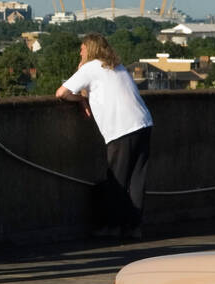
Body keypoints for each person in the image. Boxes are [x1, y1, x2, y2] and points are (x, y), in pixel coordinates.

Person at [56, 33, 154, 240]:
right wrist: (84, 99)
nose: (79, 52)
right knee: (136, 179)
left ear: (89, 49)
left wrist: (79, 99)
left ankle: (112, 228)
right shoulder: (115, 66)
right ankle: (134, 228)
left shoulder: (90, 67)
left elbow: (61, 93)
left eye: (82, 48)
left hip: (121, 128)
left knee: (116, 181)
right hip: (143, 123)